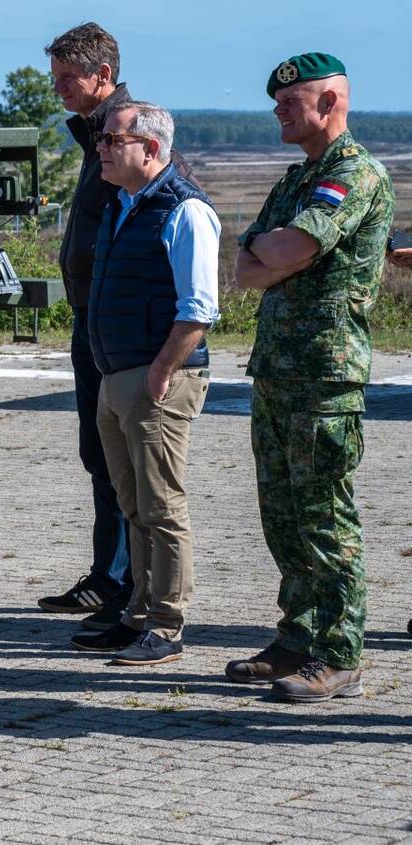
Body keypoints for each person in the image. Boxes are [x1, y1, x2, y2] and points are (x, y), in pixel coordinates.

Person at [227, 53, 392, 702]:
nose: (277, 111)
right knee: (284, 518)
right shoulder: (296, 181)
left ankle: (341, 651)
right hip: (276, 369)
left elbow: (287, 250)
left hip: (326, 374)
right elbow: (245, 266)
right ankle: (296, 636)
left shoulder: (355, 174)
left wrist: (276, 254)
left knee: (325, 518)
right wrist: (270, 254)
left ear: (329, 103)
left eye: (289, 101)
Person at [68, 102, 218, 667]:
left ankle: (167, 625)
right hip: (117, 375)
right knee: (132, 503)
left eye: (112, 138)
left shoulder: (184, 211)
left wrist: (161, 371)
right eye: (102, 139)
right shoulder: (123, 205)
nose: (101, 147)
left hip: (157, 378)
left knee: (161, 505)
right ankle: (137, 612)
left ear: (150, 148)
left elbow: (200, 307)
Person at [36, 22, 135, 631]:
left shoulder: (129, 131)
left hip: (114, 322)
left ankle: (122, 584)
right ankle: (108, 576)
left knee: (117, 457)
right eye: (56, 80)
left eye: (69, 79)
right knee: (99, 454)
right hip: (91, 317)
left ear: (104, 76)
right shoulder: (96, 131)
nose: (59, 91)